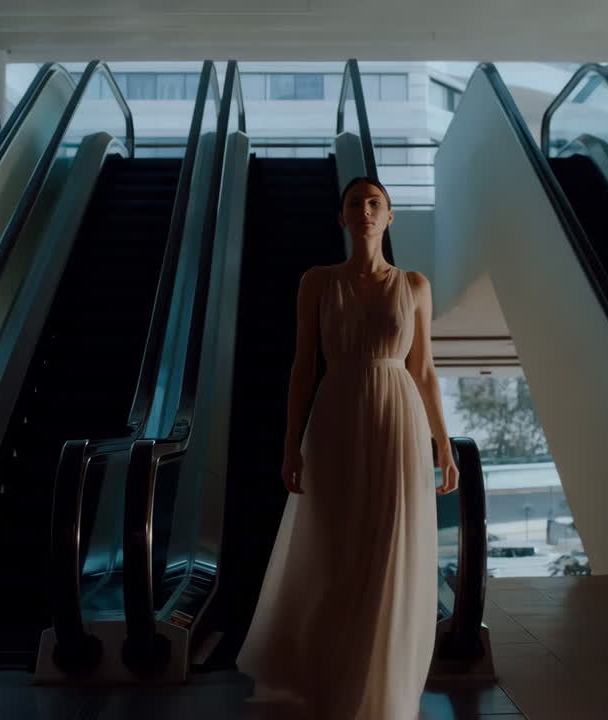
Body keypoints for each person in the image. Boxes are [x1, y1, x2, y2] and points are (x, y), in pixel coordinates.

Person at [237, 176, 460, 719]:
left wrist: (444, 444)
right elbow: (301, 367)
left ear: (389, 217)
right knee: (336, 550)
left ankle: (380, 688)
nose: (365, 210)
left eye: (375, 203)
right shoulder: (318, 281)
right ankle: (331, 679)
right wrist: (291, 447)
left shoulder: (415, 285)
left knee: (388, 550)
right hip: (335, 416)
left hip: (399, 421)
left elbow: (424, 370)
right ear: (342, 217)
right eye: (355, 204)